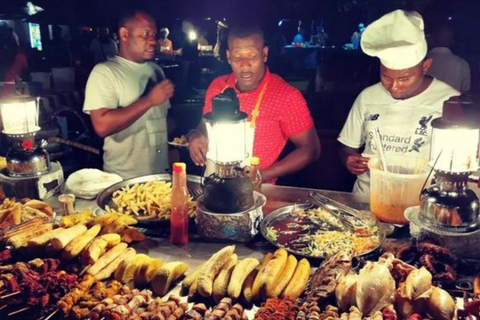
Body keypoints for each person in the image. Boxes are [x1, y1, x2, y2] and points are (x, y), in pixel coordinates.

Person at [338, 10, 459, 197]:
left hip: (420, 205)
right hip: (366, 201)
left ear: (425, 66)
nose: (394, 87)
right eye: (386, 77)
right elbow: (347, 147)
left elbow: (459, 163)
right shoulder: (367, 97)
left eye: (404, 79)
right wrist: (348, 159)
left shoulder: (449, 101)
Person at [187, 24, 321, 183]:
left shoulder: (285, 96)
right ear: (229, 57)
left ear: (264, 54)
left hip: (260, 191)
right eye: (238, 57)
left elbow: (311, 150)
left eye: (252, 56)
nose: (245, 65)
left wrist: (260, 175)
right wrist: (196, 135)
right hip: (213, 184)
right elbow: (205, 124)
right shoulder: (218, 87)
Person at [83, 9, 174, 179]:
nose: (152, 41)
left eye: (154, 35)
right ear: (125, 34)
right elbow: (102, 126)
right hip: (123, 179)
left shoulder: (156, 70)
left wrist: (187, 136)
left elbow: (162, 120)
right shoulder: (105, 72)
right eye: (145, 34)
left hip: (161, 176)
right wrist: (148, 101)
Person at [426, 23, 471, 93]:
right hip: (452, 103)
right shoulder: (462, 64)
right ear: (452, 42)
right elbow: (466, 93)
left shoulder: (420, 62)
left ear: (432, 38)